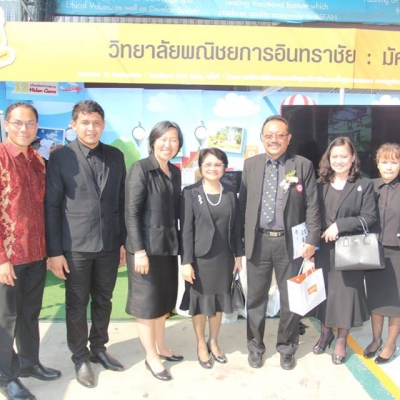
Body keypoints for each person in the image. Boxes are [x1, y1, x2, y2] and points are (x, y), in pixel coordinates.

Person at [45, 100, 127, 388]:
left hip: (109, 244)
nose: (91, 128)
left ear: (103, 125)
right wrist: (55, 252)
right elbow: (52, 206)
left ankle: (99, 348)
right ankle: (80, 358)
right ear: (73, 125)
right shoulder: (60, 157)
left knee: (104, 300)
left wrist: (122, 242)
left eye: (96, 123)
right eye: (85, 122)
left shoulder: (115, 156)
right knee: (77, 304)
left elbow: (120, 201)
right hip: (75, 246)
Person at [238, 115, 320, 370]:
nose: (274, 139)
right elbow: (243, 206)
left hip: (290, 244)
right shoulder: (251, 165)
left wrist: (312, 239)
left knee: (290, 299)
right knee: (255, 299)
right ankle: (255, 347)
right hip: (258, 242)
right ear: (262, 138)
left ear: (288, 138)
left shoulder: (302, 165)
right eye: (268, 135)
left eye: (279, 135)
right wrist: (240, 244)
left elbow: (312, 205)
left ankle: (287, 347)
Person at [0, 103, 61, 400]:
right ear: (6, 124)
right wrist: (1, 259)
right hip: (8, 258)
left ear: (37, 126)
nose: (24, 129)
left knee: (29, 313)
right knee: (5, 320)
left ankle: (29, 362)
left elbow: (43, 208)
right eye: (17, 123)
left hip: (36, 254)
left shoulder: (38, 160)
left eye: (30, 123)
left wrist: (48, 252)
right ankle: (6, 377)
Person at [125, 121, 183, 381]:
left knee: (162, 302)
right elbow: (131, 213)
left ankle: (161, 346)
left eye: (173, 139)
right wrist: (139, 251)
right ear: (153, 141)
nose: (168, 144)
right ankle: (151, 356)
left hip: (168, 247)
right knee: (147, 305)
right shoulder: (140, 169)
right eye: (163, 139)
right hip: (145, 251)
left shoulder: (174, 171)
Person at [313, 136, 377, 365]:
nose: (339, 161)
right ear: (328, 159)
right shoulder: (319, 185)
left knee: (346, 296)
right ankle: (326, 332)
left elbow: (369, 217)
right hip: (323, 250)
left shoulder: (364, 185)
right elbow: (311, 215)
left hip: (350, 251)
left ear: (352, 159)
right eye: (335, 156)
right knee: (325, 293)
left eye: (343, 156)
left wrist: (341, 225)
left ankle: (341, 339)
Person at [180, 148, 244, 369]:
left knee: (217, 302)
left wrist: (239, 255)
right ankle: (200, 344)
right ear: (200, 167)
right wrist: (186, 262)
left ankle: (213, 341)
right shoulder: (190, 192)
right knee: (199, 303)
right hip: (199, 260)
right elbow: (186, 230)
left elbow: (237, 227)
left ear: (224, 167)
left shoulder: (230, 192)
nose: (213, 168)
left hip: (224, 258)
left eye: (217, 164)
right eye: (208, 164)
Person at [364, 143, 400, 364]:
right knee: (376, 298)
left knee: (396, 301)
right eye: (384, 161)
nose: (389, 166)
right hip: (373, 251)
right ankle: (376, 339)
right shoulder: (369, 186)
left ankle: (390, 343)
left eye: (394, 162)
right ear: (377, 164)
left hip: (398, 252)